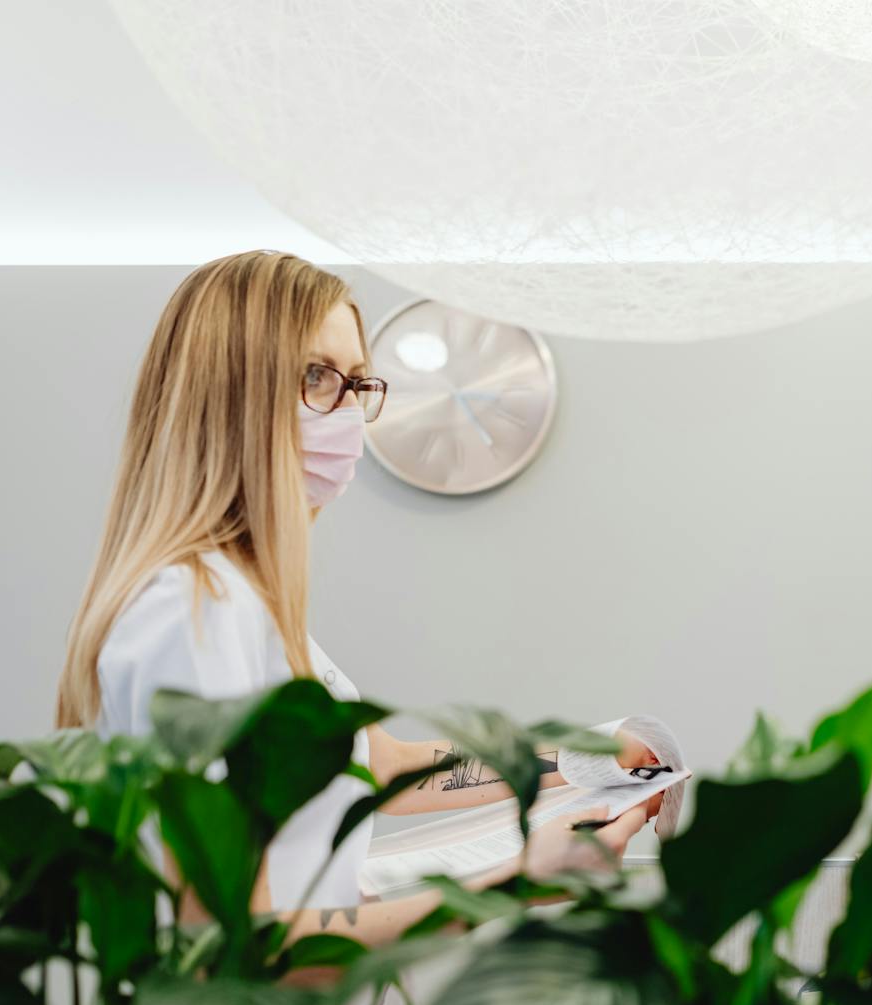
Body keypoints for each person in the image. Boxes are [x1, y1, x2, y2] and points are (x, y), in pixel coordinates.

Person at [54, 251, 657, 949]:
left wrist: (579, 758)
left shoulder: (253, 608)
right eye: (317, 376)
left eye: (359, 382)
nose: (348, 411)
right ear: (230, 390)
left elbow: (392, 765)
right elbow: (233, 948)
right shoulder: (196, 610)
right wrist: (517, 881)